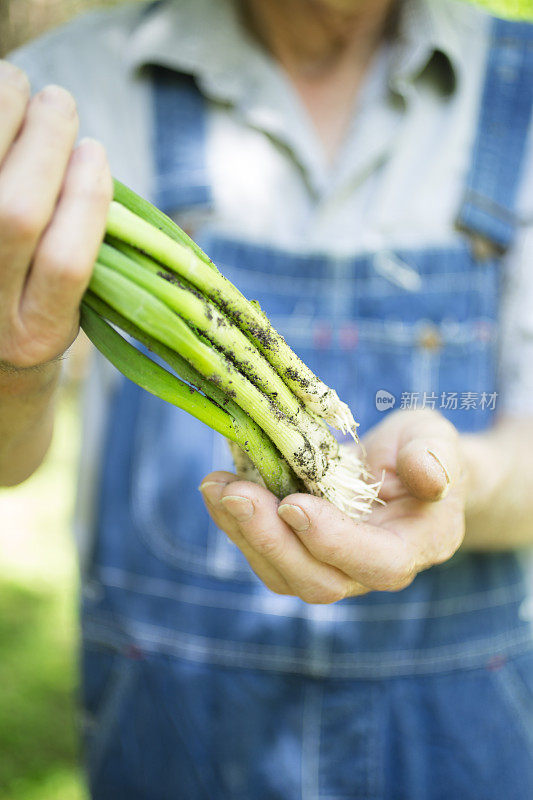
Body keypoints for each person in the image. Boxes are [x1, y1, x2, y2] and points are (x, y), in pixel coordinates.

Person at [2, 0, 533, 796]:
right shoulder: (58, 96)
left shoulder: (518, 88)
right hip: (171, 736)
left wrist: (459, 480)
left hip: (461, 747)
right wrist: (19, 364)